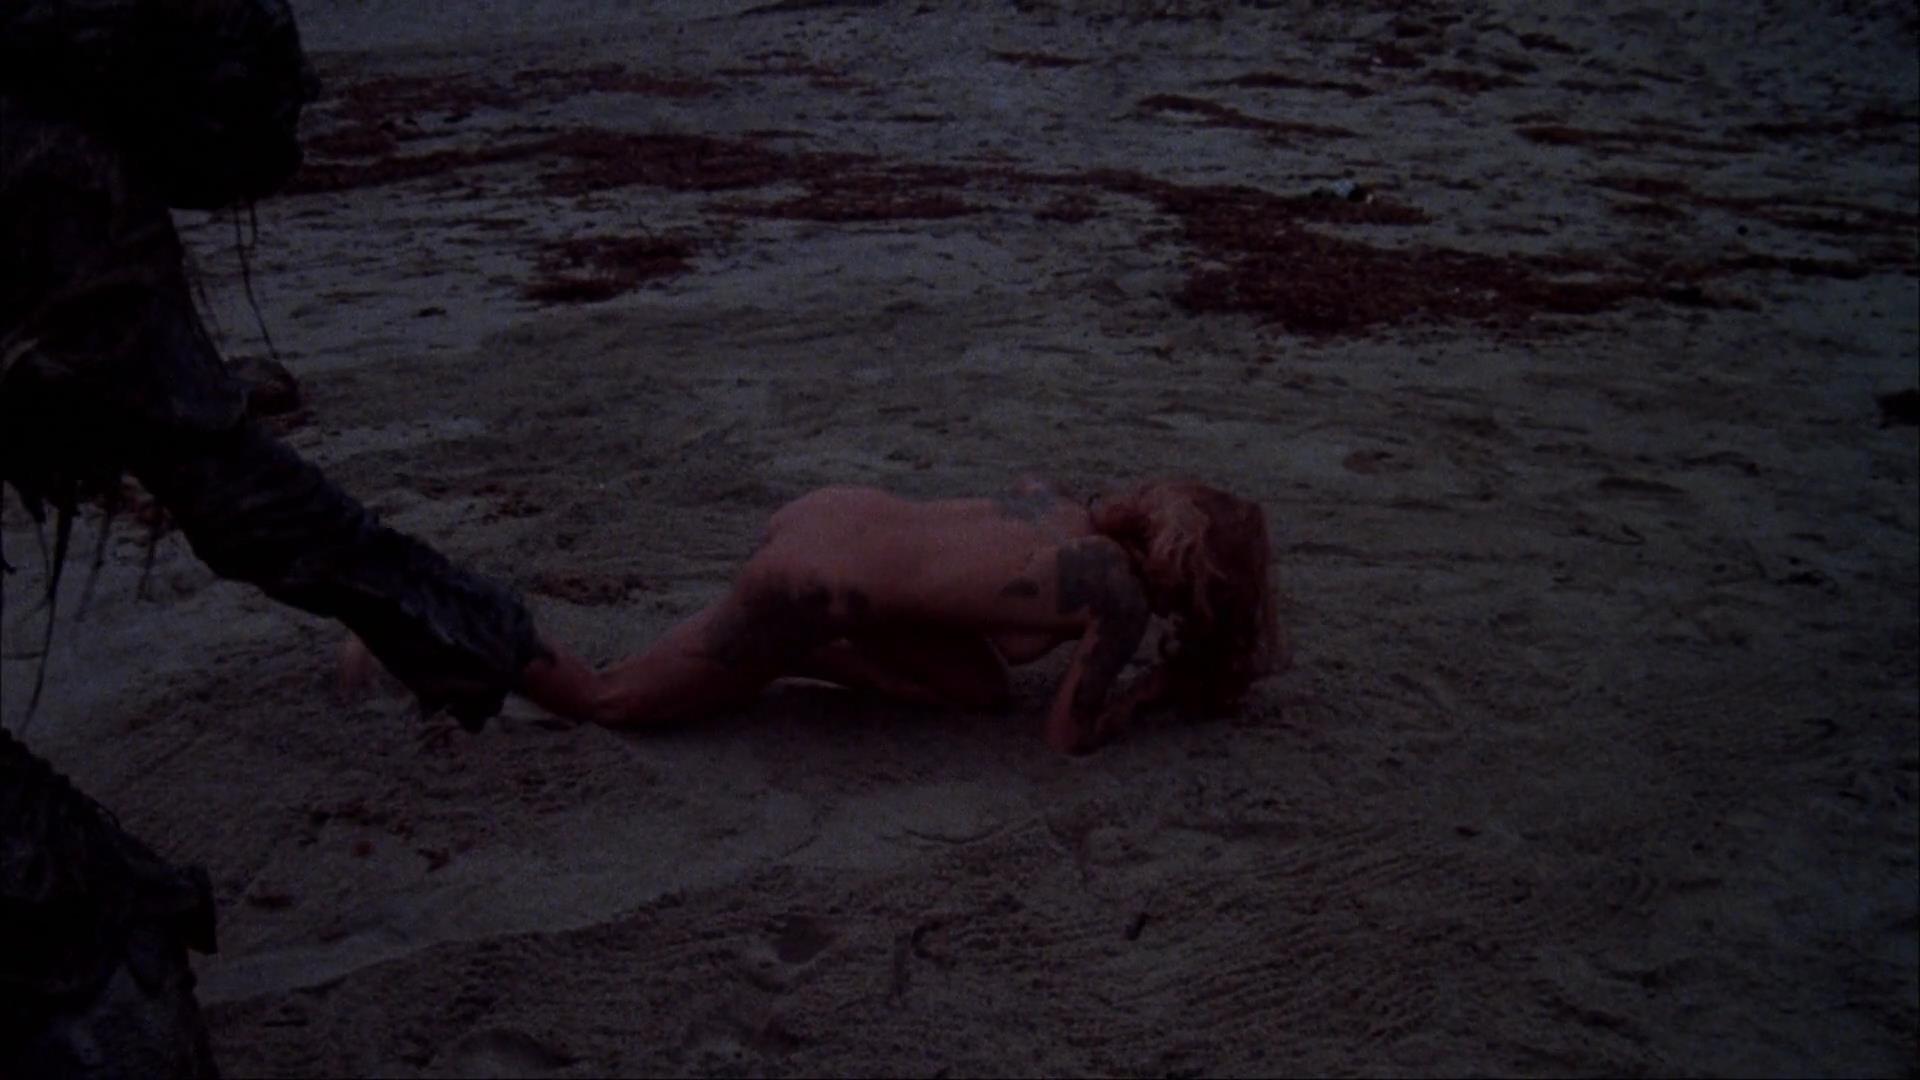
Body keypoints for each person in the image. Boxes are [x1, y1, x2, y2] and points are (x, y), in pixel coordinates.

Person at [0, 1, 571, 1074]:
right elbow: (232, 493)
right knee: (100, 977)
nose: (293, 142)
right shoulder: (56, 173)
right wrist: (450, 619)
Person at [503, 477, 1286, 753]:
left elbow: (973, 593)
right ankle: (467, 626)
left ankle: (800, 653)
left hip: (832, 515)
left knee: (982, 691)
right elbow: (1064, 737)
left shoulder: (1059, 506)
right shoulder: (1117, 595)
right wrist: (1146, 695)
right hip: (811, 585)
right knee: (606, 699)